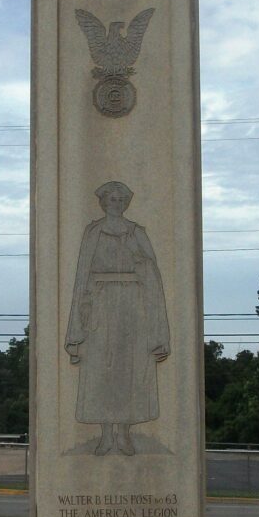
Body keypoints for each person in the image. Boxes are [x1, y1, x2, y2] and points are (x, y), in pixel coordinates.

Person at [65, 181, 170, 455]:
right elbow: (82, 276)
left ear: (125, 203)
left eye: (119, 199)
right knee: (100, 369)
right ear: (104, 203)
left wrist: (141, 264)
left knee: (129, 369)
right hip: (100, 305)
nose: (115, 203)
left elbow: (153, 274)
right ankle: (105, 434)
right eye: (110, 199)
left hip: (131, 306)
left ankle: (124, 432)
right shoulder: (93, 232)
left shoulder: (136, 233)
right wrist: (82, 314)